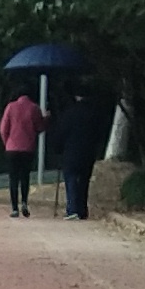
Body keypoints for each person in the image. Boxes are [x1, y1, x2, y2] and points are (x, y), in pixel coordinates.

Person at [56, 84, 103, 221]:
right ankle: (82, 209)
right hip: (88, 152)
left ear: (76, 97)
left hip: (71, 151)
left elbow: (61, 133)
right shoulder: (94, 113)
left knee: (70, 178)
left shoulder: (69, 113)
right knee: (84, 180)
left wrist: (58, 148)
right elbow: (99, 134)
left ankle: (72, 209)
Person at [0, 87, 43, 217]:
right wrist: (47, 119)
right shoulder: (34, 108)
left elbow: (3, 128)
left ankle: (14, 208)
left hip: (12, 148)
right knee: (25, 177)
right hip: (28, 148)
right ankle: (24, 202)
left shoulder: (11, 107)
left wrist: (7, 142)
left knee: (13, 178)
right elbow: (39, 127)